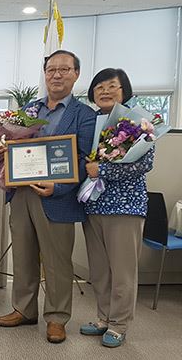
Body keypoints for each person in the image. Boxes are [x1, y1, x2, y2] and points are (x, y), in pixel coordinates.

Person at [0, 50, 96, 343]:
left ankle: (56, 317)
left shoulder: (84, 115)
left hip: (57, 196)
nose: (57, 75)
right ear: (44, 73)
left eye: (64, 69)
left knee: (56, 262)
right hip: (22, 192)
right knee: (23, 255)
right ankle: (24, 310)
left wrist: (60, 187)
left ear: (76, 74)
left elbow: (83, 157)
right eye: (52, 69)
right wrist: (3, 151)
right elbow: (14, 144)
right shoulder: (29, 109)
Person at [79, 68, 154, 348]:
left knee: (122, 270)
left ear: (125, 90)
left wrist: (104, 170)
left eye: (112, 86)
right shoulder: (93, 121)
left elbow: (144, 163)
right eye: (99, 87)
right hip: (94, 204)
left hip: (125, 206)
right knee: (99, 269)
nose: (105, 91)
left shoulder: (138, 123)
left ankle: (119, 324)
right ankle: (102, 317)